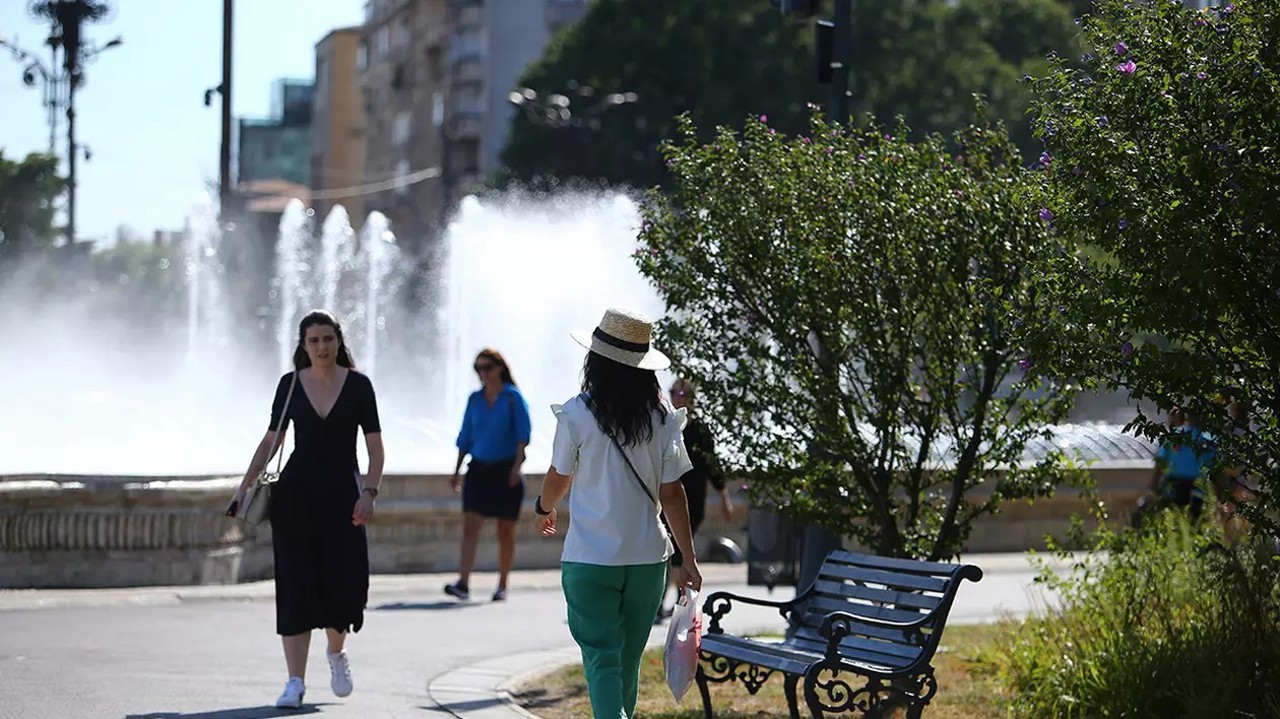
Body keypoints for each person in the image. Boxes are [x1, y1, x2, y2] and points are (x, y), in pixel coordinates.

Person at [535, 307, 702, 719]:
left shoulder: (577, 414)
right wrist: (689, 559)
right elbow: (673, 493)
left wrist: (544, 507)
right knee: (625, 662)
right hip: (647, 561)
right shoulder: (662, 418)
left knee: (602, 660)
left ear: (596, 361)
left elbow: (559, 476)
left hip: (591, 559)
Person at [226, 310, 384, 709]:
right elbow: (271, 443)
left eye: (328, 339)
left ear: (338, 340)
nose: (321, 347)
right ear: (303, 345)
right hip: (295, 498)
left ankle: (335, 653)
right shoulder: (291, 385)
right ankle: (294, 681)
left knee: (343, 583)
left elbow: (376, 448)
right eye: (313, 341)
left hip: (343, 497)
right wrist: (243, 488)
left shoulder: (360, 386)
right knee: (295, 585)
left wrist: (370, 492)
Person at [445, 348, 532, 601]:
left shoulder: (513, 398)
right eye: (478, 369)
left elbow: (523, 435)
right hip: (478, 469)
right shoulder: (475, 399)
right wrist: (456, 470)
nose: (483, 374)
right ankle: (463, 582)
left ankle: (502, 584)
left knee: (505, 531)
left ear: (500, 368)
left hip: (506, 471)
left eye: (487, 368)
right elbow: (465, 436)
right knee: (470, 526)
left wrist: (517, 466)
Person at [657, 378, 733, 621]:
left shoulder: (699, 430)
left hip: (692, 501)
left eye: (683, 393)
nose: (679, 397)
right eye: (675, 393)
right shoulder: (664, 425)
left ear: (691, 399)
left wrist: (724, 497)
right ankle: (662, 601)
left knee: (680, 553)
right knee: (666, 552)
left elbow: (713, 465)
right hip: (665, 497)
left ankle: (678, 602)